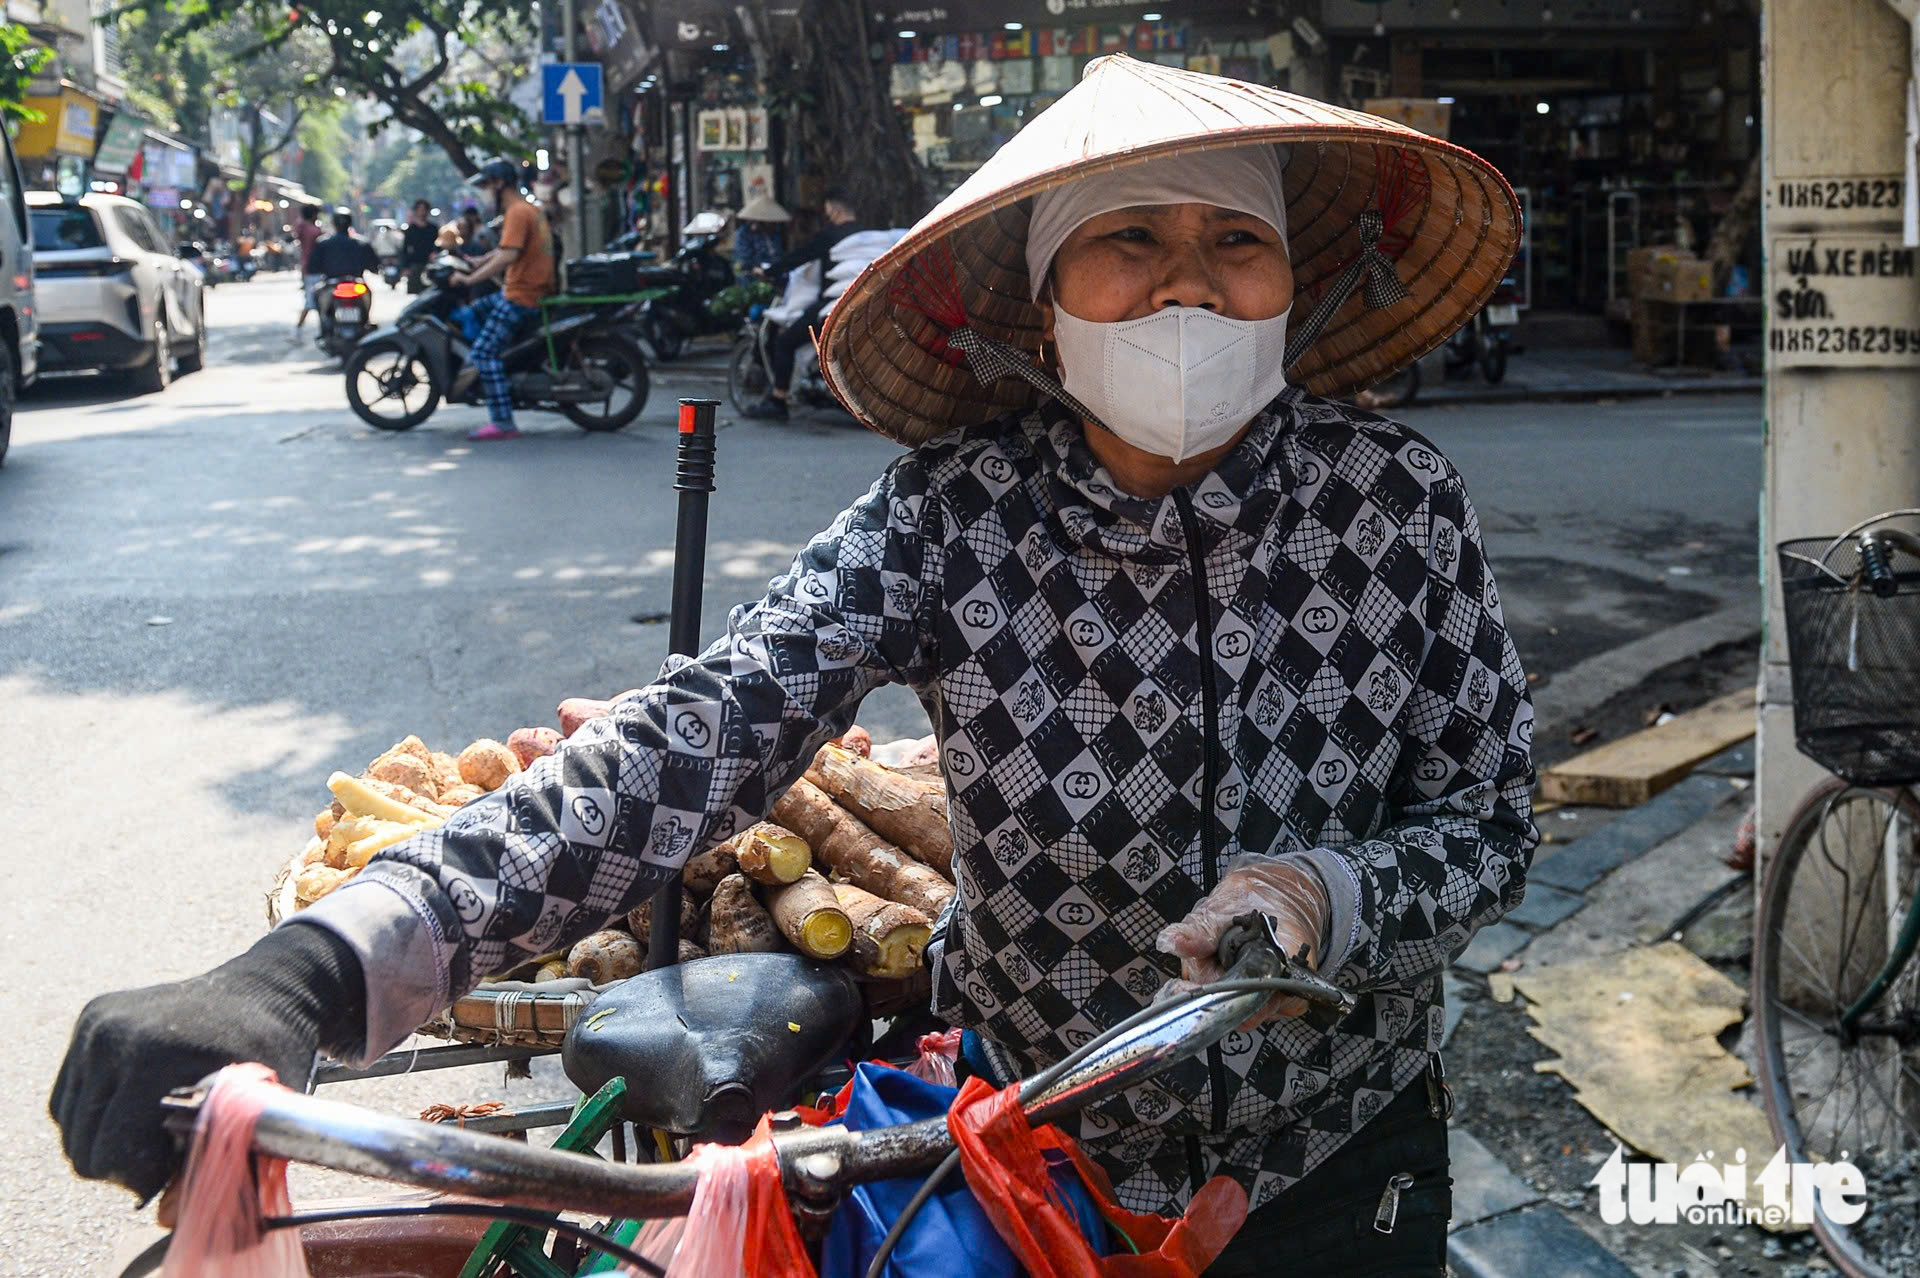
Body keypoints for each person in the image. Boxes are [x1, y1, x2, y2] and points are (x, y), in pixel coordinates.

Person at [52, 56, 1535, 1275]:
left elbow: (1490, 812)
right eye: (1129, 242)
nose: (1187, 292)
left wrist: (1326, 894)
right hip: (1041, 1158)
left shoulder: (1396, 499)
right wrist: (327, 960)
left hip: (1344, 1157)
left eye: (1234, 242)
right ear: (1042, 301)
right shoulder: (956, 513)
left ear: (1294, 278)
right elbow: (705, 727)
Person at [443, 158, 555, 442]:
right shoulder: (529, 209)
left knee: (483, 354)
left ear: (499, 184)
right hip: (524, 290)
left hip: (522, 295)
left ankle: (503, 422)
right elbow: (507, 249)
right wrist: (479, 260)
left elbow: (508, 256)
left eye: (486, 185)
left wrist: (470, 279)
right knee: (471, 312)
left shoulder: (517, 212)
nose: (484, 192)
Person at [739, 188, 866, 421]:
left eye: (827, 208)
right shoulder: (866, 237)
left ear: (834, 208)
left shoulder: (830, 235)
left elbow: (801, 256)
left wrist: (769, 271)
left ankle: (779, 399)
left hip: (833, 306)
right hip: (863, 305)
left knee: (786, 341)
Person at [291, 203, 326, 336]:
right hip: (313, 270)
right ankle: (298, 331)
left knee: (313, 301)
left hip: (310, 269)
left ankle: (299, 330)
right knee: (313, 301)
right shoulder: (311, 230)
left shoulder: (304, 228)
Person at [732, 194, 789, 273]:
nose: (773, 225)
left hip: (776, 271)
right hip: (753, 274)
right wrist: (755, 268)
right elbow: (744, 258)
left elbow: (779, 253)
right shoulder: (744, 234)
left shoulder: (776, 232)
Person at [401, 198, 437, 292]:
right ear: (416, 211)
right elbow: (405, 249)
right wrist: (406, 267)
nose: (422, 212)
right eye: (420, 210)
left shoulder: (433, 228)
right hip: (415, 265)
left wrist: (435, 254)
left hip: (431, 264)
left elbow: (438, 245)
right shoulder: (410, 229)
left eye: (424, 209)